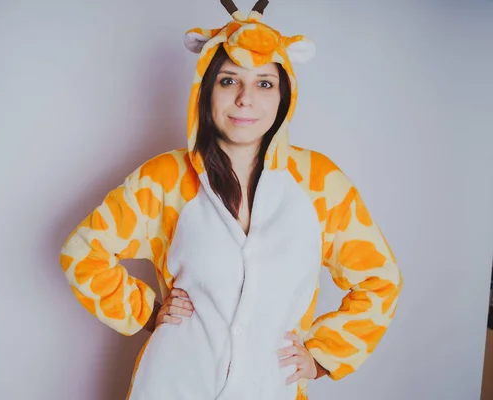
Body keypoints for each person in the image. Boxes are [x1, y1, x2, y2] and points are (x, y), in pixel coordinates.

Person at [59, 1, 403, 399]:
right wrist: (146, 312)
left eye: (264, 82)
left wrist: (323, 356)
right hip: (173, 385)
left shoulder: (321, 183)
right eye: (228, 80)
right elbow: (84, 253)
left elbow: (380, 281)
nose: (245, 98)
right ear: (205, 90)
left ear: (284, 94)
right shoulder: (166, 178)